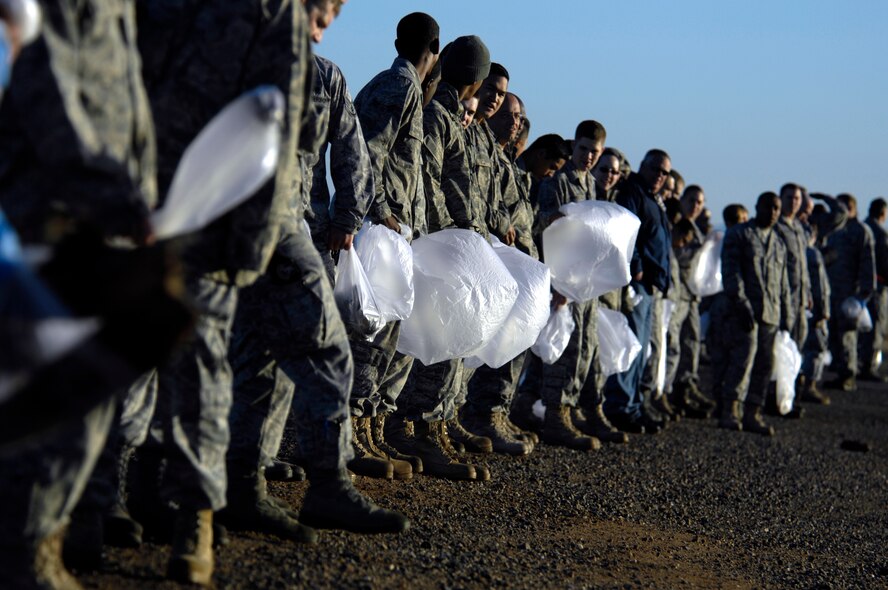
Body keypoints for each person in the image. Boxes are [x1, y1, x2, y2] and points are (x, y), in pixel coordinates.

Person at [0, 0, 158, 586]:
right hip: (54, 211)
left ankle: (42, 543)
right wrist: (112, 190)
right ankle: (25, 553)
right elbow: (46, 83)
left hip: (94, 212)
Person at [389, 34, 493, 480]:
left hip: (453, 242)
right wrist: (445, 240)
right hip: (439, 244)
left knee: (454, 342)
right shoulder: (439, 117)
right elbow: (428, 182)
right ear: (476, 80)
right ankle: (416, 431)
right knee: (435, 344)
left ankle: (436, 426)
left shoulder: (451, 116)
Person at [347, 12, 440, 479]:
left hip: (395, 230)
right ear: (434, 50)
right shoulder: (399, 86)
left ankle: (370, 430)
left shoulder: (402, 87)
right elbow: (368, 151)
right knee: (369, 336)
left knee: (386, 335)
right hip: (379, 227)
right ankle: (353, 435)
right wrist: (382, 211)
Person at [461, 91, 539, 456]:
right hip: (491, 261)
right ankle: (481, 415)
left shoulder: (506, 160)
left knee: (512, 342)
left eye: (519, 117)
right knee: (482, 345)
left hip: (514, 267)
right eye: (509, 115)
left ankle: (497, 412)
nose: (514, 123)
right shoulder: (478, 145)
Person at [534, 120, 608, 451]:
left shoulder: (590, 186)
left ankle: (567, 408)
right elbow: (548, 226)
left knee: (583, 347)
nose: (588, 157)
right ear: (573, 144)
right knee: (562, 349)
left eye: (594, 152)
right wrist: (559, 281)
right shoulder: (559, 181)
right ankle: (555, 415)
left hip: (585, 281)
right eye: (583, 149)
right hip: (563, 277)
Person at [603, 150, 673, 434]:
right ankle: (622, 407)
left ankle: (633, 403)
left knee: (641, 348)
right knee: (630, 346)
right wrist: (637, 266)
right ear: (643, 166)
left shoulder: (652, 197)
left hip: (650, 284)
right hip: (636, 283)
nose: (660, 175)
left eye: (665, 172)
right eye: (656, 169)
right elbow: (626, 228)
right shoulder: (633, 192)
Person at [718, 192, 791, 436]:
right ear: (757, 207)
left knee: (764, 365)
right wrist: (740, 302)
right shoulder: (740, 234)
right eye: (768, 207)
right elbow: (731, 271)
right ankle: (730, 410)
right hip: (744, 311)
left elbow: (783, 283)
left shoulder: (779, 242)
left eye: (777, 208)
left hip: (770, 313)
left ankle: (753, 413)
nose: (773, 212)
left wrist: (787, 315)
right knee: (742, 361)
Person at [663, 186, 715, 419]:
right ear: (682, 200)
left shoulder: (695, 228)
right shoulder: (678, 226)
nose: (696, 205)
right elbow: (678, 257)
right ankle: (667, 391)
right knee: (674, 344)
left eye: (700, 202)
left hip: (692, 295)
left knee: (691, 342)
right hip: (678, 294)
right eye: (692, 200)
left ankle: (684, 387)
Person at [823, 193, 876, 392]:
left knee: (847, 335)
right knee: (834, 334)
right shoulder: (835, 230)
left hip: (849, 292)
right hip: (831, 289)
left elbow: (867, 261)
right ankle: (839, 370)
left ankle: (848, 374)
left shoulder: (860, 231)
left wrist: (864, 292)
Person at [859, 198, 888, 381]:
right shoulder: (879, 234)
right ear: (883, 213)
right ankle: (869, 366)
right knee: (876, 325)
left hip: (859, 286)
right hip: (877, 286)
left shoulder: (861, 229)